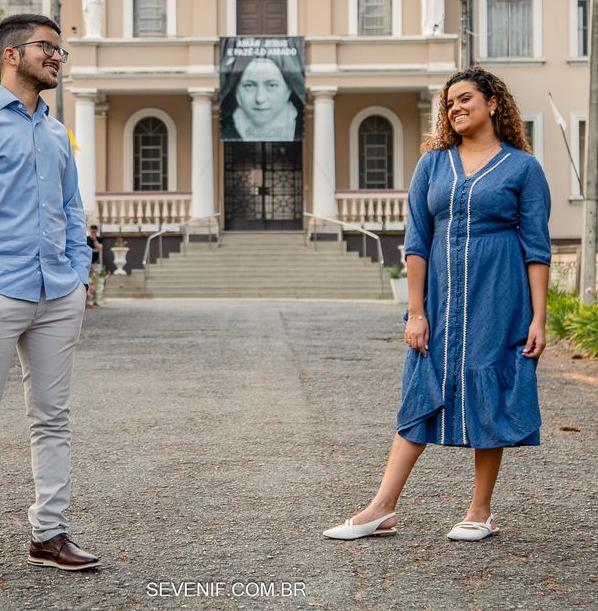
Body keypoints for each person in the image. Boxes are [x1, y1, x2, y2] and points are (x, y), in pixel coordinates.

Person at [324, 66, 551, 543]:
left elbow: (536, 248)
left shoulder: (523, 168)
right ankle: (381, 507)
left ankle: (480, 510)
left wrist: (538, 318)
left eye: (465, 98)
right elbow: (416, 241)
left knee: (489, 386)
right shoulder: (432, 164)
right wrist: (417, 311)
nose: (456, 108)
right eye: (449, 103)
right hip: (441, 299)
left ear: (493, 103)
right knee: (421, 389)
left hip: (499, 296)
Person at [0, 13, 99, 587]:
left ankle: (48, 532)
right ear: (12, 54)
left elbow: (72, 208)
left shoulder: (56, 132)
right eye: (48, 48)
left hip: (57, 293)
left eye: (61, 51)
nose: (57, 58)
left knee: (53, 418)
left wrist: (79, 275)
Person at [220, 57, 304, 141]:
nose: (260, 98)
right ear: (236, 91)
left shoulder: (306, 125)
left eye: (271, 85)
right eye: (249, 85)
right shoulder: (220, 127)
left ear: (288, 90)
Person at [86, 224, 105, 306]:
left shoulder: (99, 239)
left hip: (96, 264)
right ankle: (89, 300)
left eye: (95, 231)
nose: (93, 232)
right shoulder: (86, 239)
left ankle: (97, 300)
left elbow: (100, 249)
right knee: (89, 282)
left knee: (98, 282)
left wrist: (94, 240)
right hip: (87, 264)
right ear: (90, 230)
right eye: (92, 230)